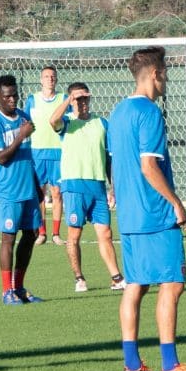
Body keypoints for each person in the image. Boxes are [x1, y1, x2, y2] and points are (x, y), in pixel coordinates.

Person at [108, 46, 186, 371]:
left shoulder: (119, 112)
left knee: (135, 285)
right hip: (154, 213)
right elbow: (148, 165)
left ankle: (133, 365)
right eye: (165, 71)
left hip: (130, 215)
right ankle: (170, 366)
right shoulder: (149, 112)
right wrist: (176, 203)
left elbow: (116, 165)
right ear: (154, 74)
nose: (167, 78)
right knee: (173, 283)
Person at [49, 82, 126, 293]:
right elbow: (52, 121)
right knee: (74, 234)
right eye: (78, 99)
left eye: (85, 98)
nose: (82, 103)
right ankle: (79, 277)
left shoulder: (102, 123)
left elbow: (110, 158)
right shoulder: (67, 122)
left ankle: (116, 277)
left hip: (98, 186)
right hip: (74, 186)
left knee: (106, 233)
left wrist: (114, 188)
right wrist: (68, 98)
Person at [0, 75, 44, 306]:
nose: (12, 100)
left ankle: (18, 287)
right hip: (7, 191)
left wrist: (37, 184)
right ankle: (6, 291)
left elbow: (28, 155)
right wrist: (21, 135)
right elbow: (0, 158)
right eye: (7, 96)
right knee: (9, 237)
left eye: (15, 95)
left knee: (31, 235)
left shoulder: (24, 118)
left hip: (28, 188)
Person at [24, 65, 66, 246]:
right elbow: (25, 124)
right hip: (37, 153)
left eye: (52, 76)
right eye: (46, 76)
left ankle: (56, 234)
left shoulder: (63, 99)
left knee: (57, 193)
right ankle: (42, 232)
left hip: (58, 152)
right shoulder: (32, 100)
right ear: (41, 80)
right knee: (39, 194)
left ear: (56, 79)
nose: (50, 79)